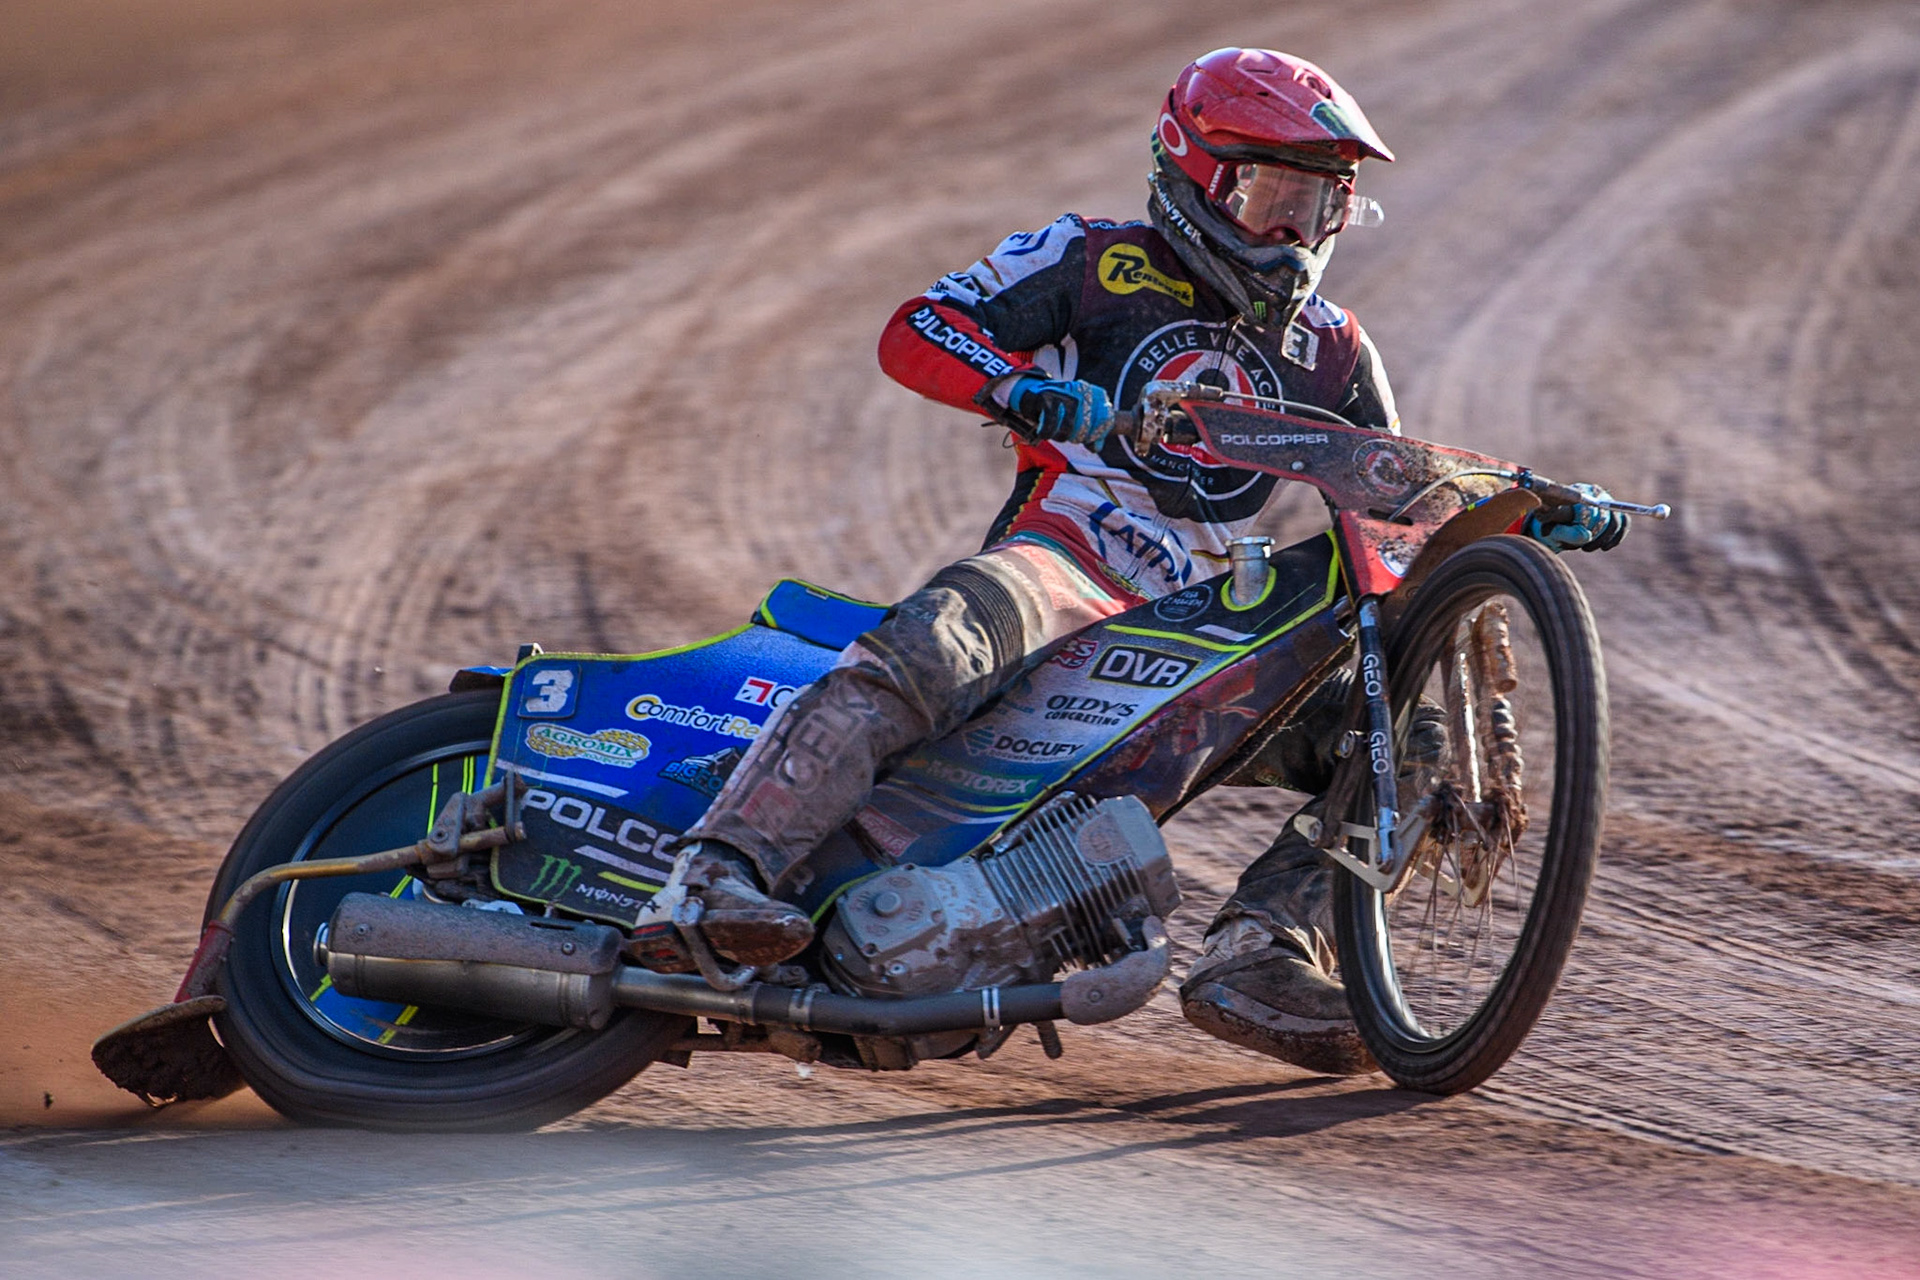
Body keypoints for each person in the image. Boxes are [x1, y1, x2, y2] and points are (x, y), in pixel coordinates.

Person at [668, 47, 1627, 1074]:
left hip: (1209, 627)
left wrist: (1524, 511)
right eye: (1270, 196)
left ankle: (1263, 950)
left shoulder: (1333, 350)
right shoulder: (1090, 259)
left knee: (1413, 736)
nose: (1294, 234)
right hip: (1064, 564)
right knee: (945, 636)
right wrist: (1016, 388)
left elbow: (1392, 492)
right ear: (1191, 170)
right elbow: (920, 326)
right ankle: (719, 871)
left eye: (1321, 206)